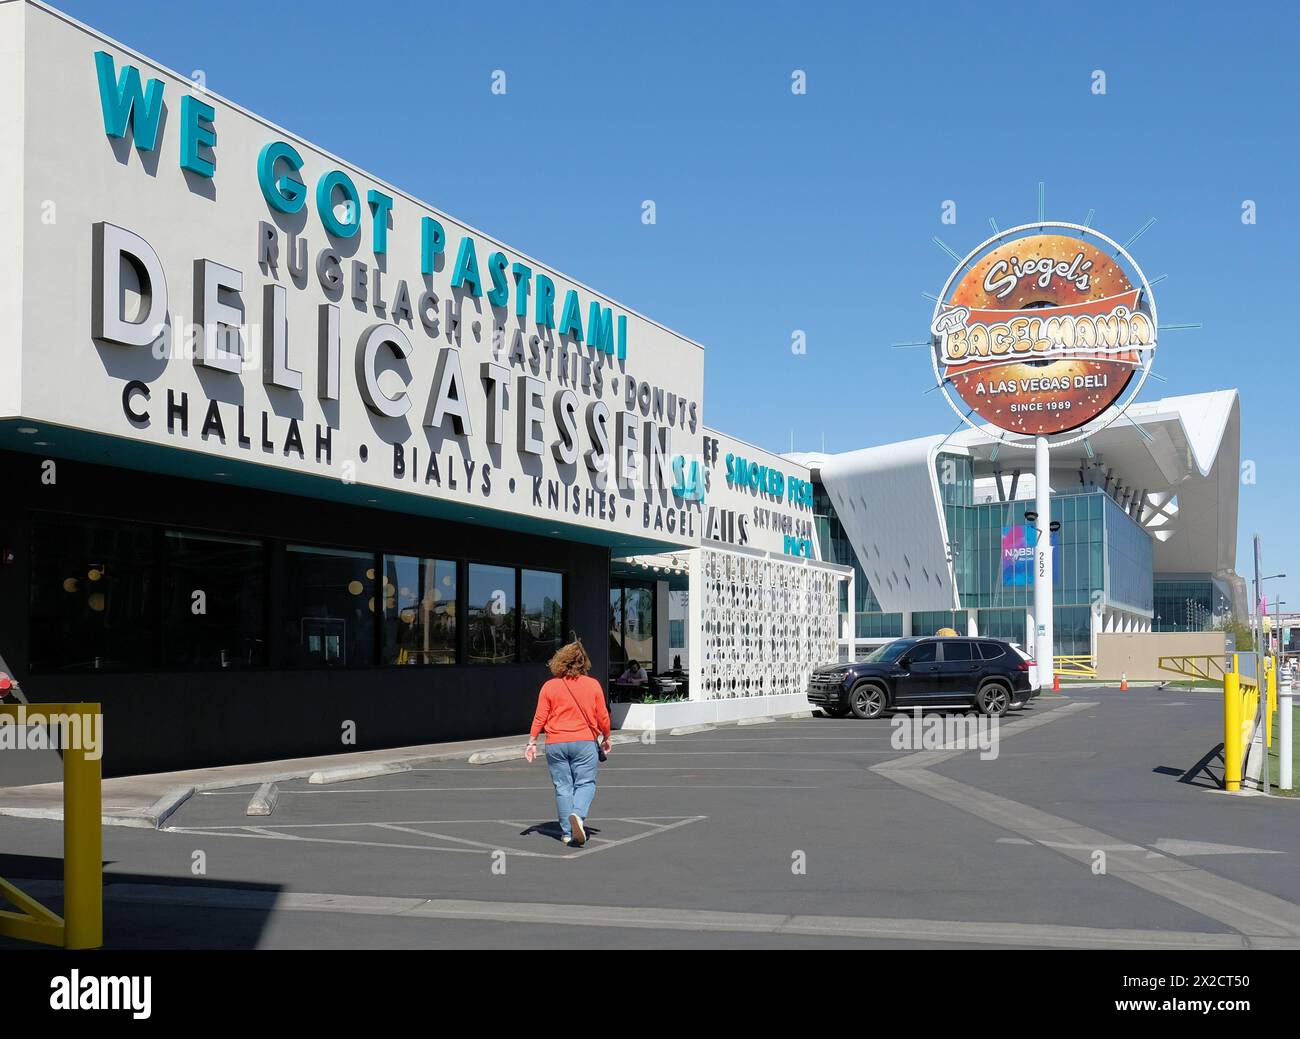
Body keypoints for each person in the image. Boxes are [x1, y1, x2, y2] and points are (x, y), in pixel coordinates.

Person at [525, 640, 612, 846]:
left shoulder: (549, 686)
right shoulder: (592, 685)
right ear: (584, 662)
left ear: (559, 661)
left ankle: (566, 832)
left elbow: (540, 717)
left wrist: (532, 741)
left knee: (563, 787)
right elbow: (603, 717)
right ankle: (578, 815)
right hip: (584, 742)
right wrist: (606, 737)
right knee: (585, 783)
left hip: (555, 743)